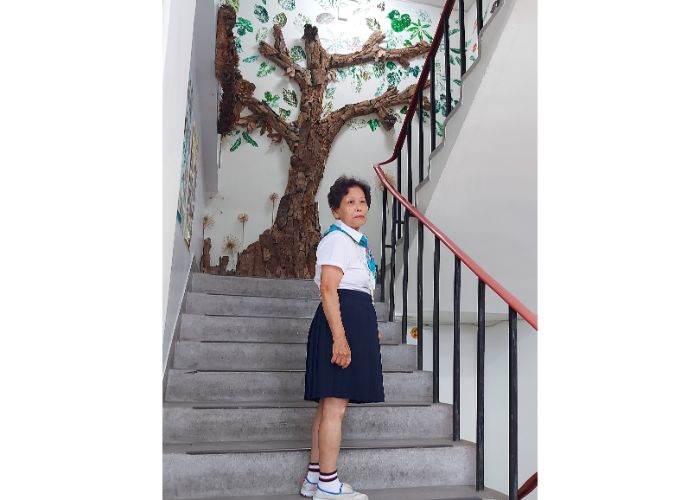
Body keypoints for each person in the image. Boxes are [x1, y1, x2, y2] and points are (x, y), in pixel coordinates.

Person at [300, 175, 385, 500]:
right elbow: (328, 288)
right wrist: (340, 337)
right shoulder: (338, 240)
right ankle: (328, 485)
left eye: (363, 202)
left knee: (328, 406)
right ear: (336, 210)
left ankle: (314, 478)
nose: (359, 207)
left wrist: (368, 325)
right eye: (350, 202)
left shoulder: (354, 242)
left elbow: (356, 287)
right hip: (341, 322)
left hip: (352, 319)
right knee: (335, 407)